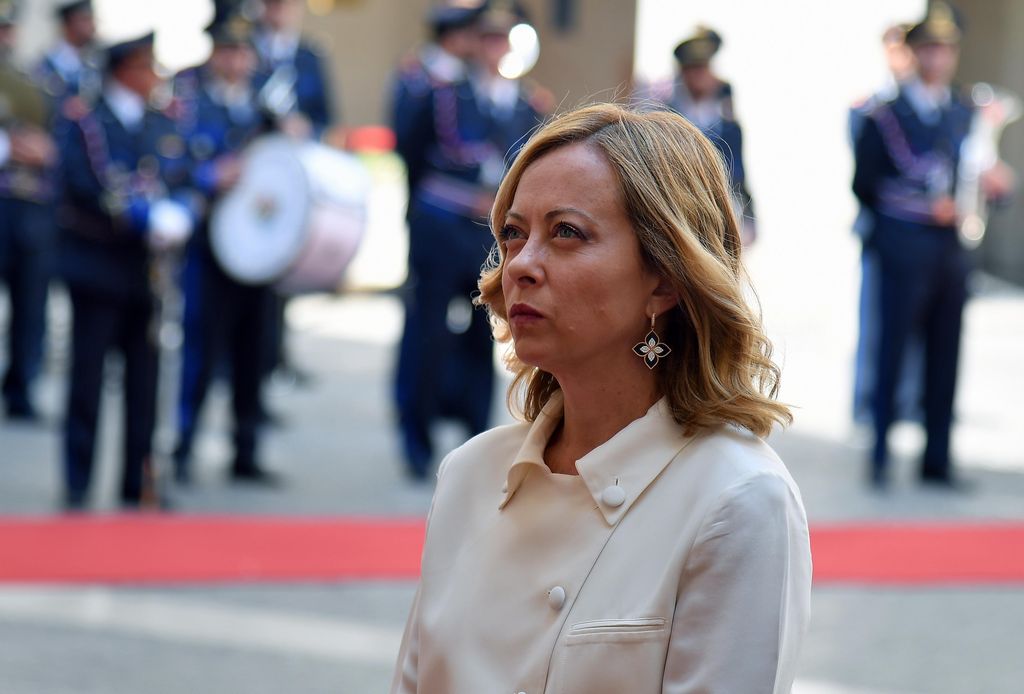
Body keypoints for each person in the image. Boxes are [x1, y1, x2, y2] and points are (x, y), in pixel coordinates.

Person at [391, 103, 811, 692]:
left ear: (665, 279)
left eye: (566, 232)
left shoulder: (736, 499)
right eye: (513, 233)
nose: (521, 265)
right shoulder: (469, 473)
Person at [852, 2, 1014, 490]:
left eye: (945, 49)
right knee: (892, 349)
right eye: (928, 49)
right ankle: (880, 454)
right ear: (915, 52)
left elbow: (974, 173)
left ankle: (936, 460)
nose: (937, 58)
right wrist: (927, 205)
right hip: (904, 249)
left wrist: (994, 186)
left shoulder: (965, 112)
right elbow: (866, 186)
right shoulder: (885, 115)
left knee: (947, 353)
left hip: (950, 253)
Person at [390, 3, 543, 481]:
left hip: (491, 238)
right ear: (474, 43)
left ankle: (475, 438)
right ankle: (416, 439)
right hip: (440, 230)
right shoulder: (442, 96)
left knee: (486, 335)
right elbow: (411, 153)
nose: (495, 49)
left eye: (503, 39)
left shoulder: (528, 105)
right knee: (427, 333)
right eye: (488, 38)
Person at [56, 32, 194, 510]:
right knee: (88, 379)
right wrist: (139, 214)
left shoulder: (160, 121)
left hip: (146, 273)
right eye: (147, 67)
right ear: (127, 71)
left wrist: (180, 210)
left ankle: (138, 481)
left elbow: (179, 173)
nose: (154, 77)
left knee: (145, 384)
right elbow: (83, 185)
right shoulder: (86, 120)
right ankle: (78, 481)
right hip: (98, 266)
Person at [171, 12, 278, 486]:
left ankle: (245, 451)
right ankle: (183, 445)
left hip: (258, 250)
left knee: (253, 354)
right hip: (210, 249)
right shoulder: (188, 104)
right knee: (201, 350)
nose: (236, 61)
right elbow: (171, 166)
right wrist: (210, 176)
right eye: (228, 51)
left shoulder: (261, 110)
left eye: (243, 52)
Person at [849, 24, 923, 427]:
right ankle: (868, 401)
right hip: (881, 231)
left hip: (918, 238)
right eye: (897, 49)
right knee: (874, 322)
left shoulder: (926, 105)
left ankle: (906, 402)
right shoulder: (872, 106)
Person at [0, 1, 58, 421]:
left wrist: (45, 151)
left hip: (28, 208)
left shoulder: (30, 81)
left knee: (30, 303)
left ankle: (21, 387)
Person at [655, 27, 756, 245]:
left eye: (703, 68)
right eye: (693, 69)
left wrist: (749, 218)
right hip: (676, 216)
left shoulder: (728, 125)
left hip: (717, 220)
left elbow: (738, 175)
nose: (699, 76)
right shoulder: (666, 119)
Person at [35, 0, 101, 111]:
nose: (93, 26)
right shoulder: (47, 64)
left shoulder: (96, 61)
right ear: (69, 24)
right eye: (85, 20)